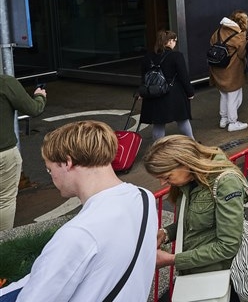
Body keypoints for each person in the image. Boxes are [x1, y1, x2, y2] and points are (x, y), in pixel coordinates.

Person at [0, 121, 157, 301]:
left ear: (68, 162)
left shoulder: (77, 234)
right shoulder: (144, 197)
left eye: (50, 169)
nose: (52, 177)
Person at [145, 135, 246, 302]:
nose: (163, 183)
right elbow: (197, 220)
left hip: (216, 277)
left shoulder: (225, 182)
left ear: (185, 163)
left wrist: (173, 259)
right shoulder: (191, 179)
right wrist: (166, 233)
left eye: (167, 176)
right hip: (196, 274)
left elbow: (229, 245)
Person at [0, 76, 45, 231]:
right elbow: (33, 109)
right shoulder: (5, 83)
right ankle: (4, 244)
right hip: (3, 153)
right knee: (5, 200)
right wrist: (40, 96)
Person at [140, 30, 195, 139]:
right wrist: (190, 92)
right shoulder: (176, 56)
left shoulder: (148, 57)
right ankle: (192, 143)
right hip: (173, 93)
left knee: (158, 123)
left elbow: (144, 76)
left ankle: (158, 148)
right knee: (182, 119)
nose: (175, 43)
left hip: (153, 93)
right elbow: (183, 76)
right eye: (175, 41)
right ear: (169, 41)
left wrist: (142, 92)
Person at [210, 10, 248, 132]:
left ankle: (224, 119)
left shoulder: (218, 31)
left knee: (223, 95)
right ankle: (233, 122)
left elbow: (211, 42)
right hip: (232, 72)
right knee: (234, 97)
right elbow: (242, 54)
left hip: (217, 69)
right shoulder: (239, 35)